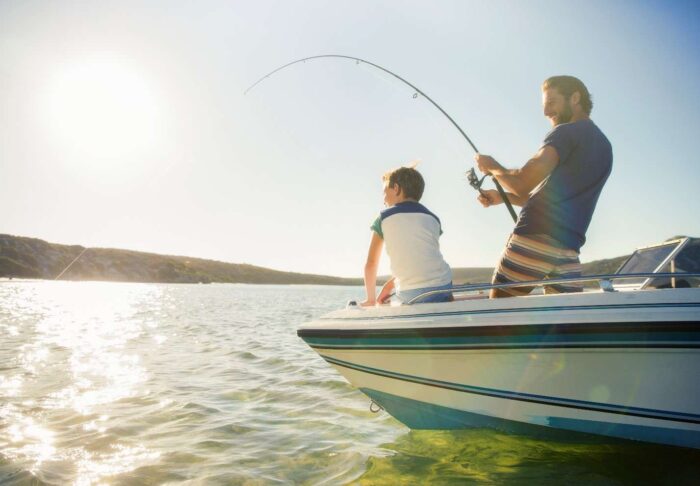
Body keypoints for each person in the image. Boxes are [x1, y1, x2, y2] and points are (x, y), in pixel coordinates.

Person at [475, 75, 612, 298]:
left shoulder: (565, 133)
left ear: (575, 98)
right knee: (561, 326)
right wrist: (502, 197)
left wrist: (492, 167)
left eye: (551, 102)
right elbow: (557, 198)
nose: (546, 112)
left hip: (535, 238)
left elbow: (522, 183)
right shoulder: (605, 147)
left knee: (499, 316)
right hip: (569, 250)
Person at [361, 166, 453, 306]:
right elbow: (420, 261)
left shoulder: (383, 218)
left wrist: (371, 300)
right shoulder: (433, 219)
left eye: (385, 193)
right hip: (444, 287)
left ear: (396, 188)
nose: (383, 200)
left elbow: (371, 264)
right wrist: (389, 285)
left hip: (410, 293)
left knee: (393, 300)